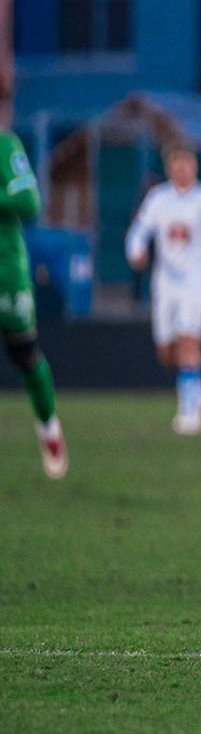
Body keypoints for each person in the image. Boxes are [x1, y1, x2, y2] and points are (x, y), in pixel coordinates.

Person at [126, 145, 201, 434]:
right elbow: (137, 234)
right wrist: (136, 252)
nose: (180, 169)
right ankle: (196, 388)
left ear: (193, 165)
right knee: (167, 353)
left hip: (196, 284)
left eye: (185, 163)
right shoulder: (158, 199)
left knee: (187, 340)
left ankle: (189, 410)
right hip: (165, 285)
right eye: (175, 164)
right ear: (169, 167)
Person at [0, 126, 66, 476]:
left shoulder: (5, 144)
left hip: (5, 272)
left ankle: (48, 427)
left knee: (24, 355)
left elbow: (29, 201)